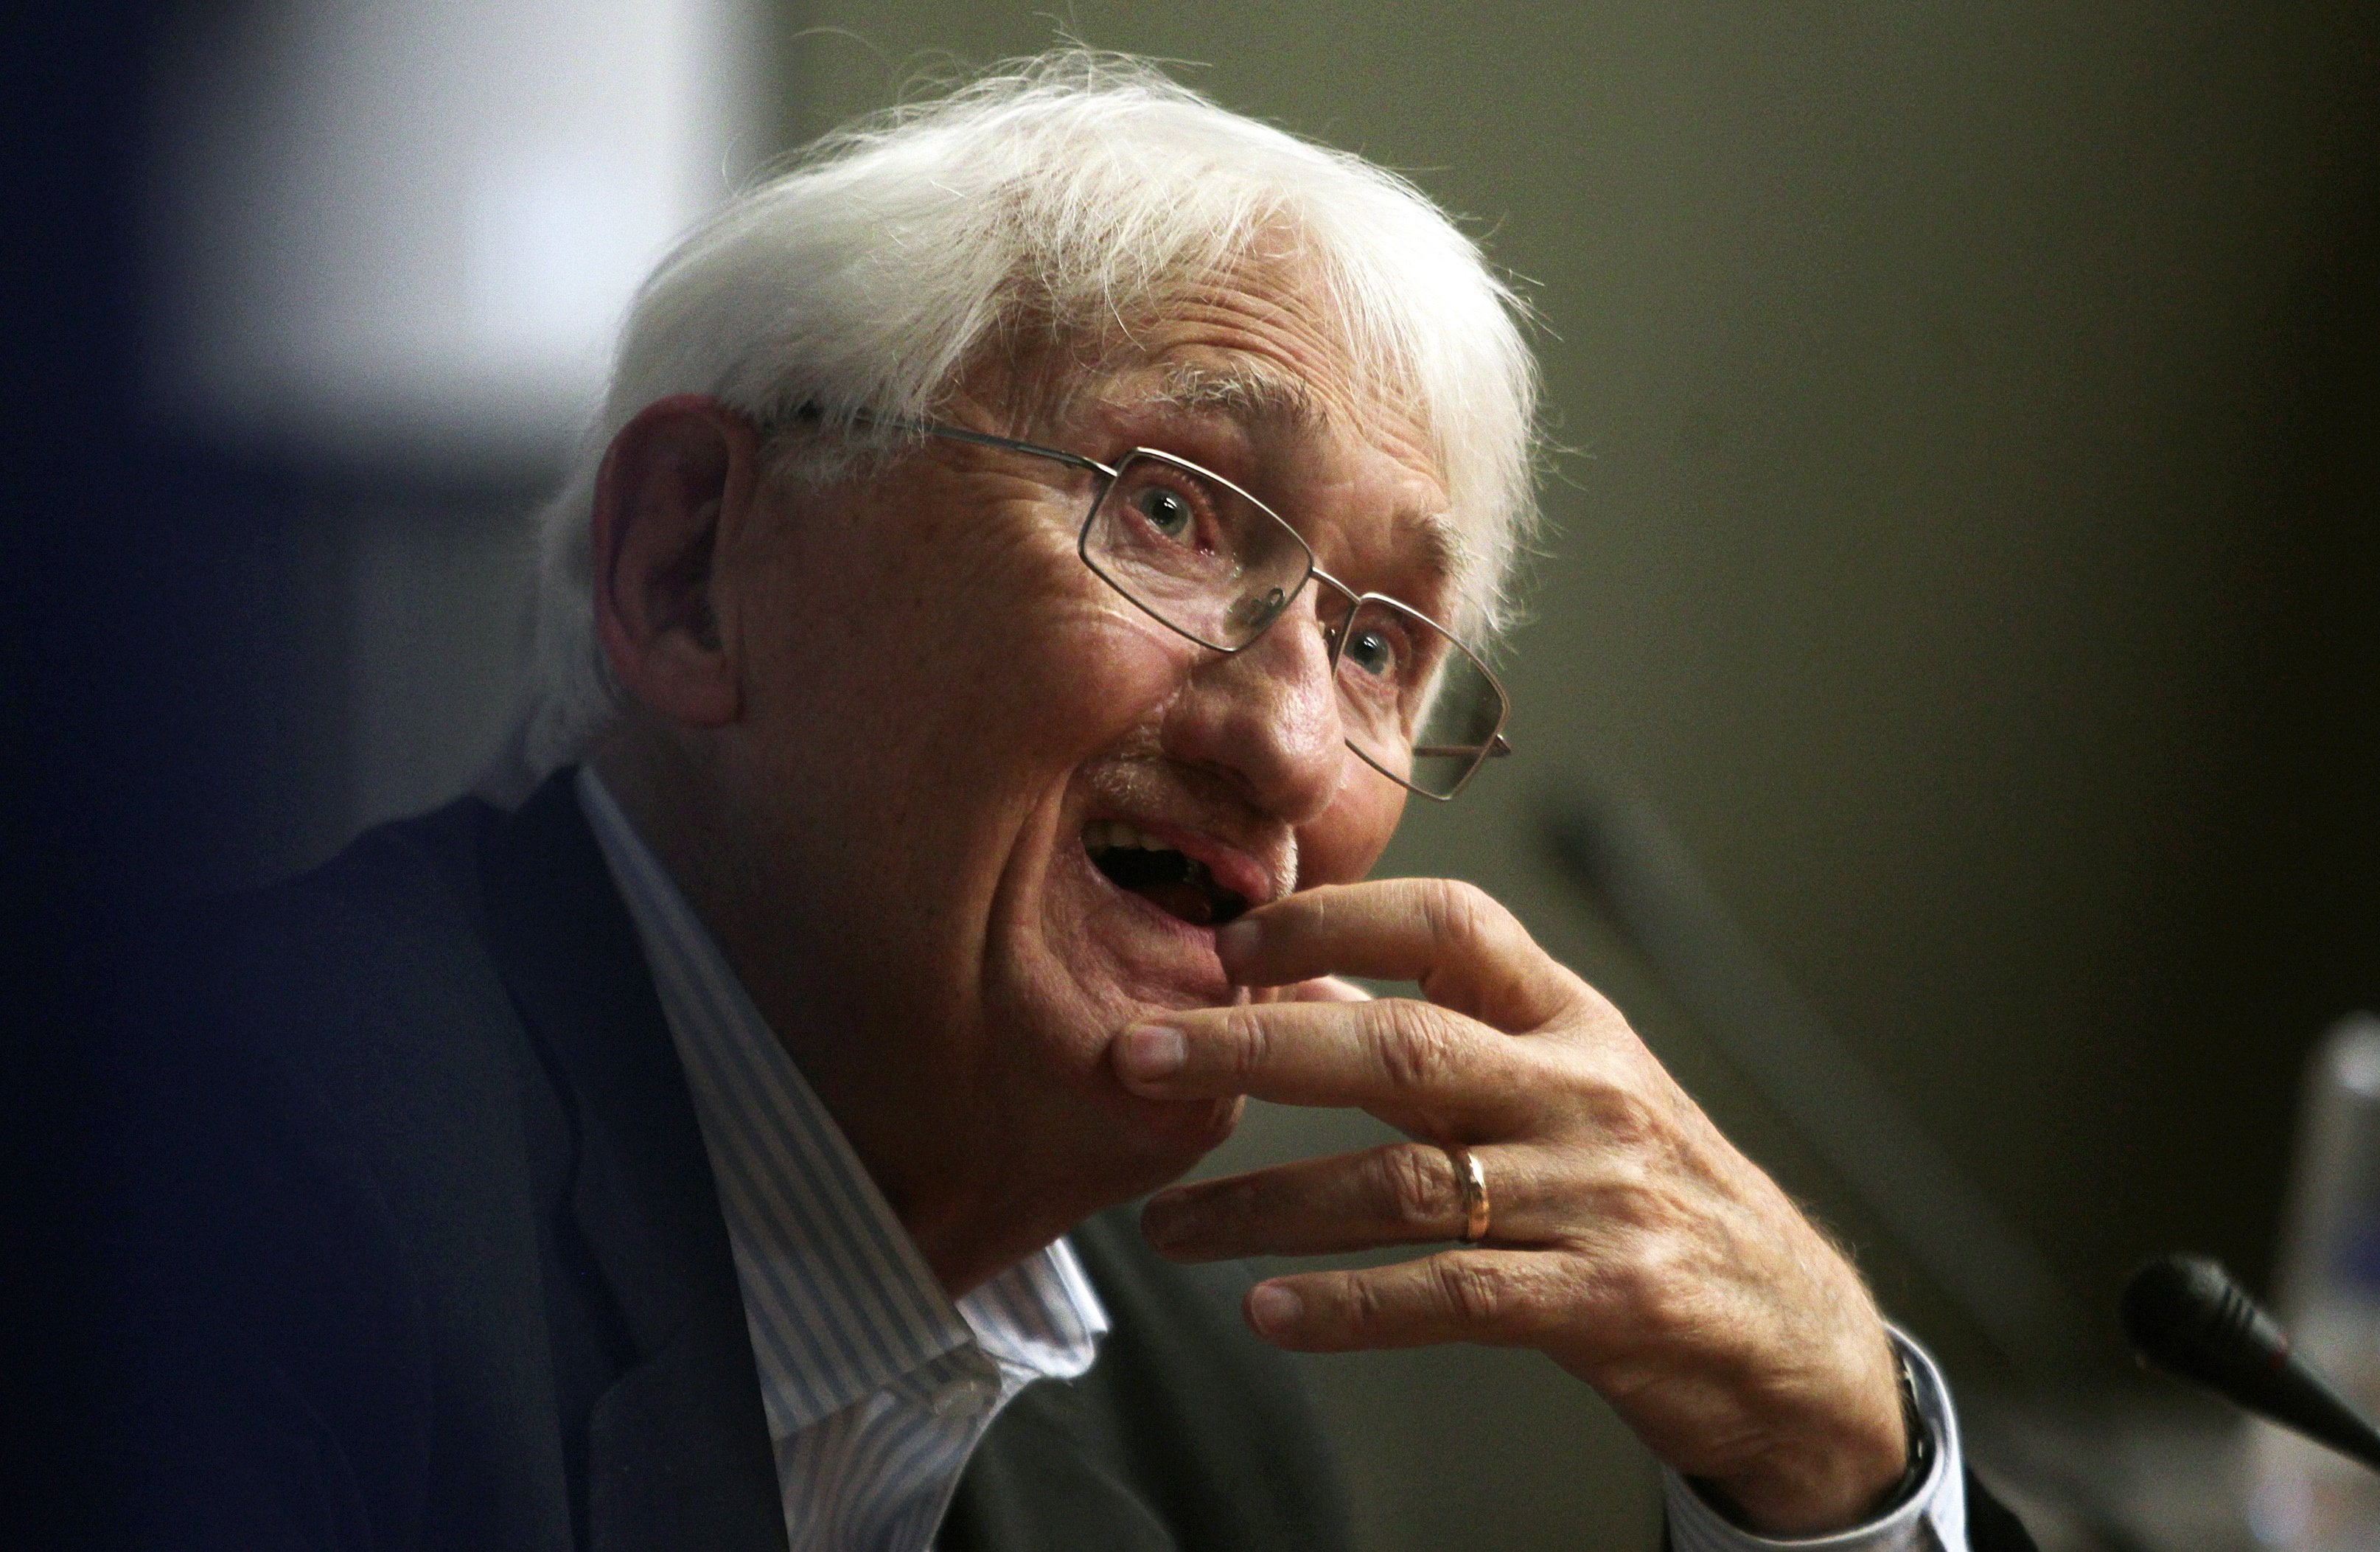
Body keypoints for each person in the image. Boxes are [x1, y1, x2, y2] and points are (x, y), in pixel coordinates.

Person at [116, 52, 2034, 1552]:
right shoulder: (204, 1194)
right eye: (1172, 511)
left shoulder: (1184, 1391)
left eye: (1379, 643)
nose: (1288, 750)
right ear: (689, 569)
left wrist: (1819, 1458)